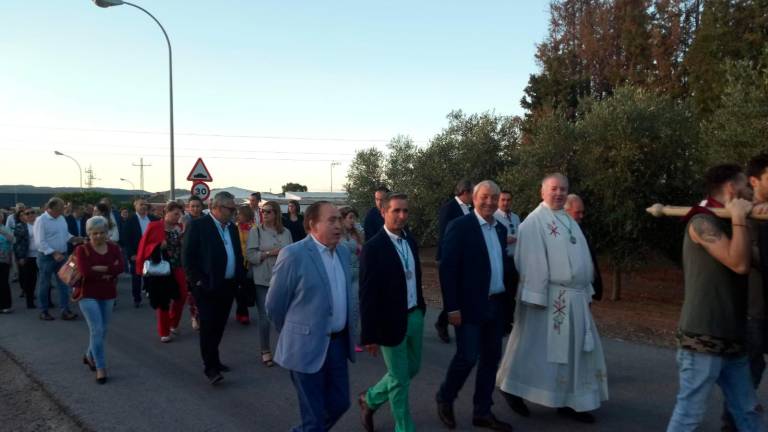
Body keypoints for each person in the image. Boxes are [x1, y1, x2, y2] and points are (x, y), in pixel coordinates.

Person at [497, 174, 608, 424]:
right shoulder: (534, 222)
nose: (559, 193)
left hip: (575, 298)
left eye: (563, 189)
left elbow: (582, 257)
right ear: (542, 191)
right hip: (548, 300)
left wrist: (586, 288)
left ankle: (568, 400)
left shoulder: (568, 220)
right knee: (532, 348)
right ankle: (510, 387)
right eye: (554, 189)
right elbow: (530, 261)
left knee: (573, 352)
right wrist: (535, 297)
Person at [664, 164, 763, 431]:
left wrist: (751, 221)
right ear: (732, 188)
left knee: (749, 411)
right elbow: (738, 263)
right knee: (689, 414)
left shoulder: (733, 223)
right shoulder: (701, 222)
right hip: (702, 339)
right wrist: (741, 219)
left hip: (734, 340)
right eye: (746, 185)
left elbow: (757, 260)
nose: (751, 191)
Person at [267, 201, 358, 431]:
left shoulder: (344, 252)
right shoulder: (293, 255)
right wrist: (294, 331)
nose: (339, 225)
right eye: (332, 220)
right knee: (315, 419)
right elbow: (274, 306)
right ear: (312, 225)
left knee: (340, 404)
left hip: (337, 344)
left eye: (339, 219)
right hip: (305, 346)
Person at [435, 180, 516, 432]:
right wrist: (452, 308)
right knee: (467, 357)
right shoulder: (460, 227)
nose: (490, 202)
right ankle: (445, 397)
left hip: (496, 304)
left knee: (491, 360)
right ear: (474, 198)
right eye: (485, 197)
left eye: (494, 197)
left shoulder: (501, 230)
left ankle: (482, 411)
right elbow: (448, 270)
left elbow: (500, 266)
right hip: (469, 306)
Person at [358, 193, 425, 432]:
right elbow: (367, 295)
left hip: (414, 315)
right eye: (396, 211)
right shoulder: (373, 248)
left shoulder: (410, 241)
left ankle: (371, 398)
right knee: (399, 379)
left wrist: (421, 310)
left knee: (411, 369)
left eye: (405, 211)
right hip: (388, 322)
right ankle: (404, 428)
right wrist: (370, 335)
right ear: (383, 212)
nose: (402, 216)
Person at [717, 154, 768, 431]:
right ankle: (733, 424)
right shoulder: (744, 214)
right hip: (754, 311)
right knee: (748, 372)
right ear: (754, 180)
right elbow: (749, 259)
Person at [183, 191, 246, 385]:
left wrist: (239, 278)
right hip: (207, 286)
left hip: (228, 285)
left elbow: (236, 253)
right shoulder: (199, 225)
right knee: (208, 325)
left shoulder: (232, 228)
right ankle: (209, 367)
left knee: (219, 325)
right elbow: (188, 257)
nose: (234, 213)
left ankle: (215, 359)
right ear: (216, 207)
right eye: (230, 209)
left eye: (234, 209)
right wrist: (198, 282)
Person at [75, 216, 124, 384]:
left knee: (103, 329)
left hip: (108, 292)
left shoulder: (113, 248)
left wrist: (104, 269)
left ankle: (89, 355)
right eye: (94, 233)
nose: (98, 236)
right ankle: (100, 366)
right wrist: (109, 270)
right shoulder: (82, 250)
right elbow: (85, 271)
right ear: (88, 233)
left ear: (107, 233)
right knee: (96, 329)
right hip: (87, 293)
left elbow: (121, 267)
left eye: (102, 233)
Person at [246, 200, 293, 367]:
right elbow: (250, 255)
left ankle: (285, 350)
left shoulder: (286, 232)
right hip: (263, 279)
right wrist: (269, 253)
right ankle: (265, 350)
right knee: (265, 317)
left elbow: (292, 253)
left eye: (268, 211)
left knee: (285, 316)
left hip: (283, 278)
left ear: (276, 214)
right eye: (263, 211)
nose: (264, 214)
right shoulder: (256, 231)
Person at [136, 201, 187, 343]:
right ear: (167, 212)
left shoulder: (180, 227)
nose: (178, 216)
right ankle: (164, 331)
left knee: (182, 295)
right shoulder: (154, 226)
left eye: (180, 214)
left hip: (177, 266)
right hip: (161, 268)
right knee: (162, 299)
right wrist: (157, 245)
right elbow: (144, 245)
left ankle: (173, 322)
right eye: (175, 213)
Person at [434, 179, 474, 344]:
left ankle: (444, 322)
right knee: (453, 293)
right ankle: (443, 323)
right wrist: (443, 257)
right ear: (464, 192)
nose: (474, 196)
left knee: (462, 293)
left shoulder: (470, 209)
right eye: (473, 192)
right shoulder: (449, 208)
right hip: (450, 257)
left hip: (466, 258)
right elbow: (444, 234)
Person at [34, 197, 84, 321]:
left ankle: (65, 310)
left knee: (64, 283)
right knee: (45, 284)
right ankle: (43, 311)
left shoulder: (61, 218)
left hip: (62, 256)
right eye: (62, 207)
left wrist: (75, 239)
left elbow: (65, 235)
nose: (64, 209)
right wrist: (54, 253)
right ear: (53, 208)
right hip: (46, 258)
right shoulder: (41, 220)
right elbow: (40, 242)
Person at [565, 194, 603, 300]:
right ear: (565, 212)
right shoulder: (558, 235)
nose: (581, 216)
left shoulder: (582, 231)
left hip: (585, 291)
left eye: (582, 212)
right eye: (577, 212)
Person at [122, 199, 159, 308]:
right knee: (137, 277)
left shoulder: (153, 219)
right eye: (141, 204)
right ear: (135, 206)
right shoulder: (130, 220)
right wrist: (131, 254)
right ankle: (136, 298)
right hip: (136, 253)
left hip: (151, 252)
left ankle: (151, 294)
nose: (143, 206)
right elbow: (126, 239)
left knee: (151, 275)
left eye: (145, 205)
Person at [339, 206, 364, 353]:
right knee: (342, 308)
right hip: (342, 274)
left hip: (356, 274)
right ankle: (339, 338)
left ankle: (352, 340)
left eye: (354, 218)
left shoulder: (355, 234)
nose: (353, 221)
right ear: (342, 219)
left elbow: (362, 249)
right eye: (350, 217)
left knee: (355, 308)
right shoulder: (336, 235)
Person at [181, 196, 204, 330]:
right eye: (192, 206)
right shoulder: (184, 220)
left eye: (197, 206)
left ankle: (203, 315)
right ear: (188, 207)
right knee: (192, 292)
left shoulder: (207, 220)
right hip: (190, 260)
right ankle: (195, 316)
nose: (195, 208)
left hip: (204, 260)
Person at [234, 205, 256, 325]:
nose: (238, 216)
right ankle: (242, 313)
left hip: (250, 262)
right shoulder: (235, 228)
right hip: (238, 261)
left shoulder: (254, 228)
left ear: (246, 215)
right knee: (239, 289)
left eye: (240, 214)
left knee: (246, 287)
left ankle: (242, 311)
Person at [13, 208, 38, 309]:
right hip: (28, 257)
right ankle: (30, 302)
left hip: (41, 255)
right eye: (27, 213)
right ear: (23, 216)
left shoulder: (39, 225)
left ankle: (48, 301)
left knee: (45, 280)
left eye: (32, 212)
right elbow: (17, 244)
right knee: (30, 281)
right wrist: (21, 257)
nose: (30, 215)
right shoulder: (20, 227)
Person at [494, 190, 521, 258]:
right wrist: (503, 239)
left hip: (516, 256)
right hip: (502, 257)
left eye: (508, 200)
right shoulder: (493, 217)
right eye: (503, 200)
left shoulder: (515, 217)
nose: (506, 203)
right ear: (498, 200)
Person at [0, 212, 14, 313]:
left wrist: (2, 231)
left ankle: (6, 305)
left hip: (4, 259)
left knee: (3, 282)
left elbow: (13, 240)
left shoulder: (5, 229)